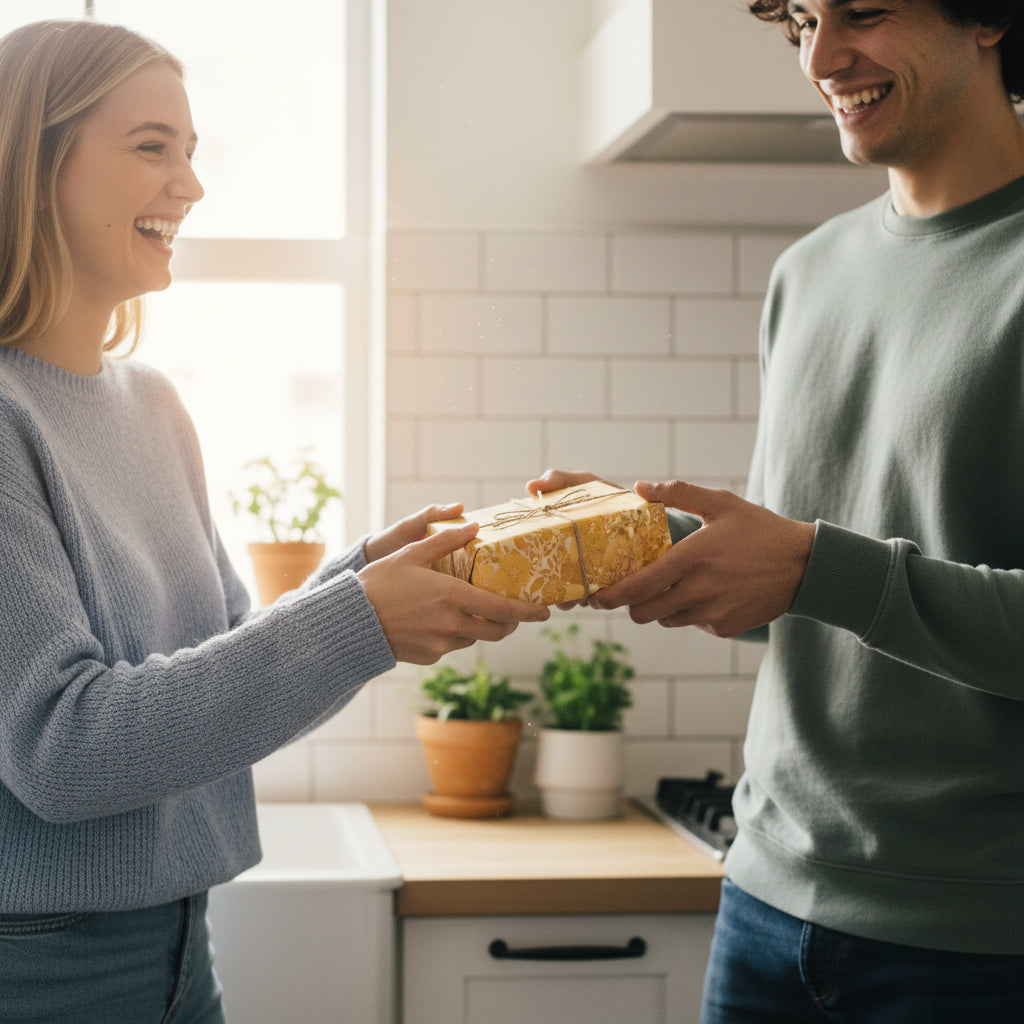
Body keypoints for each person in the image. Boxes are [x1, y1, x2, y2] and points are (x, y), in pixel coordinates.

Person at [0, 19, 549, 1024]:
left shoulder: (153, 405)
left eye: (192, 152)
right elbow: (61, 748)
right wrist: (362, 621)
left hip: (181, 948)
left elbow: (214, 671)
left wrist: (359, 579)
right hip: (40, 967)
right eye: (151, 147)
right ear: (36, 167)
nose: (190, 187)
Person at [530, 0, 1024, 1020]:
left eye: (864, 11)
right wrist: (637, 540)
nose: (821, 57)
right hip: (764, 900)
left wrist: (807, 565)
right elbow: (806, 586)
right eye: (800, 19)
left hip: (977, 938)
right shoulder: (808, 275)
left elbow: (827, 569)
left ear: (986, 15)